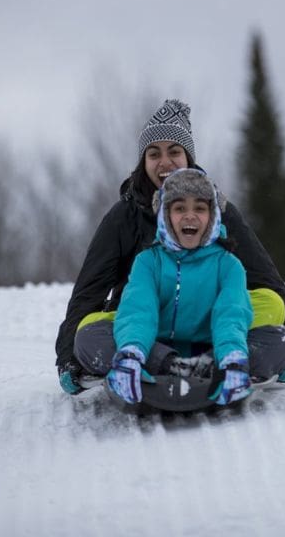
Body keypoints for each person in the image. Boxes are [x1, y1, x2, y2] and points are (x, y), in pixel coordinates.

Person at [56, 98, 285, 394]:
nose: (164, 162)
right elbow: (88, 291)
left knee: (270, 303)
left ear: (188, 159)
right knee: (89, 329)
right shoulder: (124, 217)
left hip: (211, 324)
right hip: (145, 327)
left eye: (174, 151)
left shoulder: (219, 210)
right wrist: (69, 358)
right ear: (143, 163)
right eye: (154, 154)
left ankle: (218, 357)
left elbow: (266, 279)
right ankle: (159, 360)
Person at [105, 168, 253, 405]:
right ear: (165, 215)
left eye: (200, 208)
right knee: (91, 336)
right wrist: (131, 353)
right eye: (179, 208)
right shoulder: (148, 261)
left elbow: (231, 314)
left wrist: (232, 358)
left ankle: (225, 371)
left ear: (213, 216)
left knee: (277, 340)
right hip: (156, 351)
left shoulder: (228, 265)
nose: (190, 216)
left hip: (212, 352)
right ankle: (155, 367)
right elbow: (138, 311)